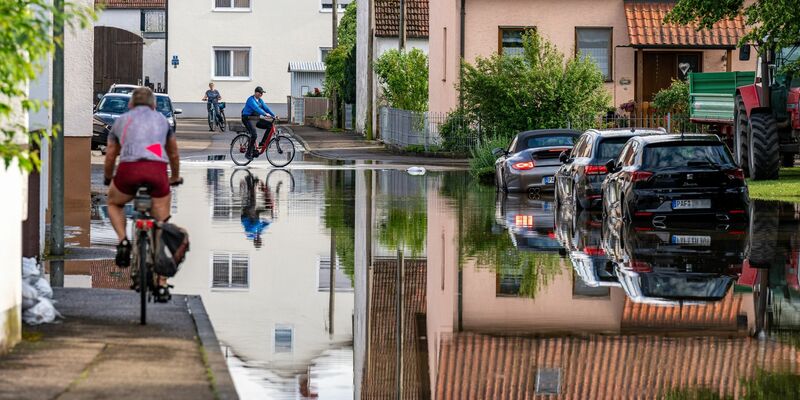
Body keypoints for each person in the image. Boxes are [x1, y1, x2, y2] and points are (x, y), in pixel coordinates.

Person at [104, 87, 181, 300]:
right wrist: (174, 176)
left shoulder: (121, 121)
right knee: (162, 222)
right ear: (153, 105)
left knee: (113, 203)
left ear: (130, 105)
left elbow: (111, 154)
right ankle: (162, 281)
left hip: (129, 172)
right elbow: (173, 153)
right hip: (157, 173)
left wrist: (108, 177)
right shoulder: (162, 121)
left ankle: (123, 241)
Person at [241, 86, 277, 158]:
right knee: (254, 135)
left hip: (255, 119)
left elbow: (266, 108)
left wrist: (274, 115)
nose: (261, 94)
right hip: (247, 119)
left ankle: (262, 143)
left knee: (270, 125)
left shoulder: (260, 100)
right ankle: (248, 153)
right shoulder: (250, 100)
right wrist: (265, 114)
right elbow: (256, 108)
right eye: (260, 93)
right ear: (256, 93)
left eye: (262, 93)